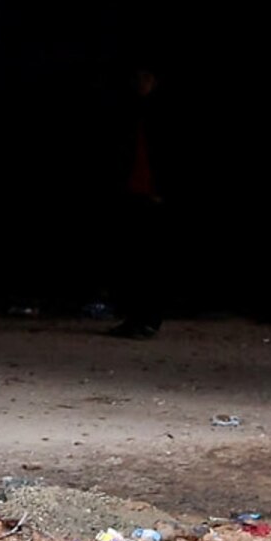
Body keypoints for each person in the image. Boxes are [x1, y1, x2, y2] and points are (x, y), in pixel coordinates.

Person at [108, 67, 167, 340]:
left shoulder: (157, 113)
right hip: (134, 191)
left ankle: (149, 319)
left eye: (145, 77)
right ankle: (135, 318)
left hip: (152, 195)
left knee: (150, 261)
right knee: (134, 260)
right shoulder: (133, 112)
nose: (139, 83)